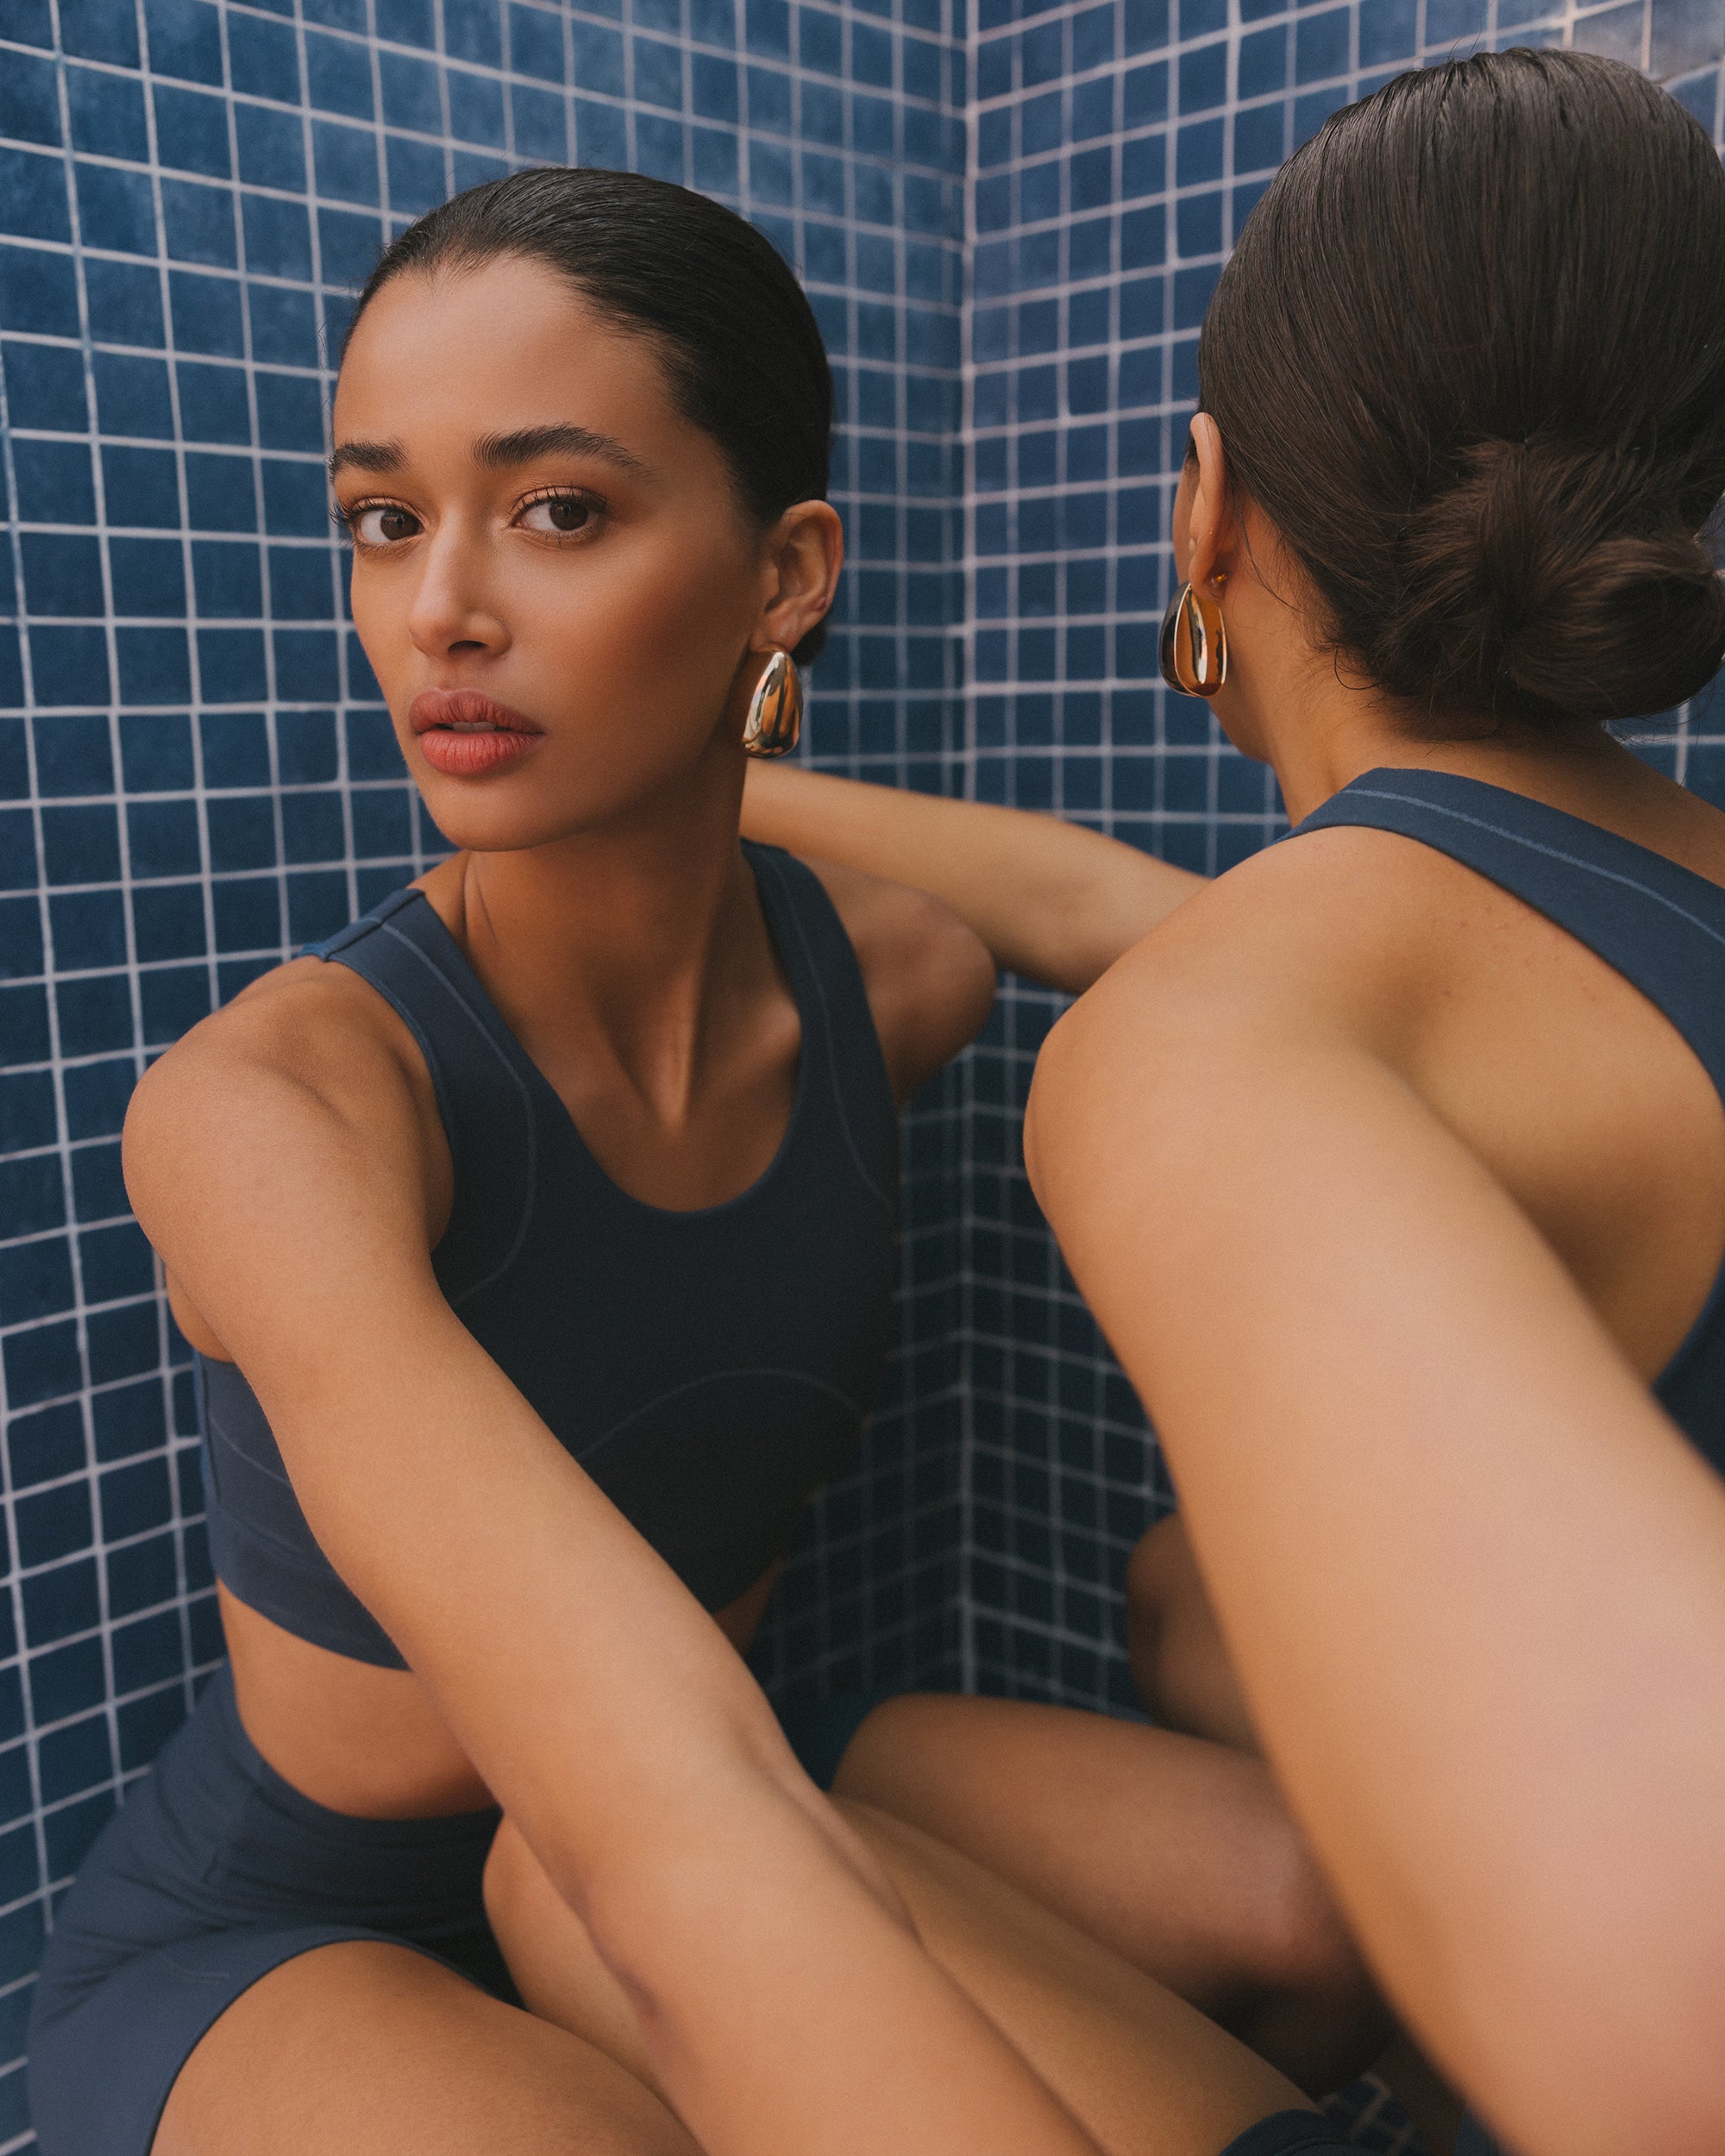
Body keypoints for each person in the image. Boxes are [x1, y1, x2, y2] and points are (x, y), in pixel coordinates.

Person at [27, 166, 1358, 2156]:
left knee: (1332, 1902)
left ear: (785, 569)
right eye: (384, 519)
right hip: (309, 1919)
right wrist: (648, 740)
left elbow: (1149, 928)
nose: (441, 607)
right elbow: (637, 1795)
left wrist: (701, 778)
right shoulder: (272, 1111)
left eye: (558, 509)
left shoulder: (889, 977)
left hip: (746, 1757)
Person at [757, 47, 1725, 2156]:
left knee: (600, 1863)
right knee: (1166, 1622)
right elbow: (1110, 908)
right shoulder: (1533, 938)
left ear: (1205, 501)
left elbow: (1672, 1974)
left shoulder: (1232, 1026)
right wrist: (698, 778)